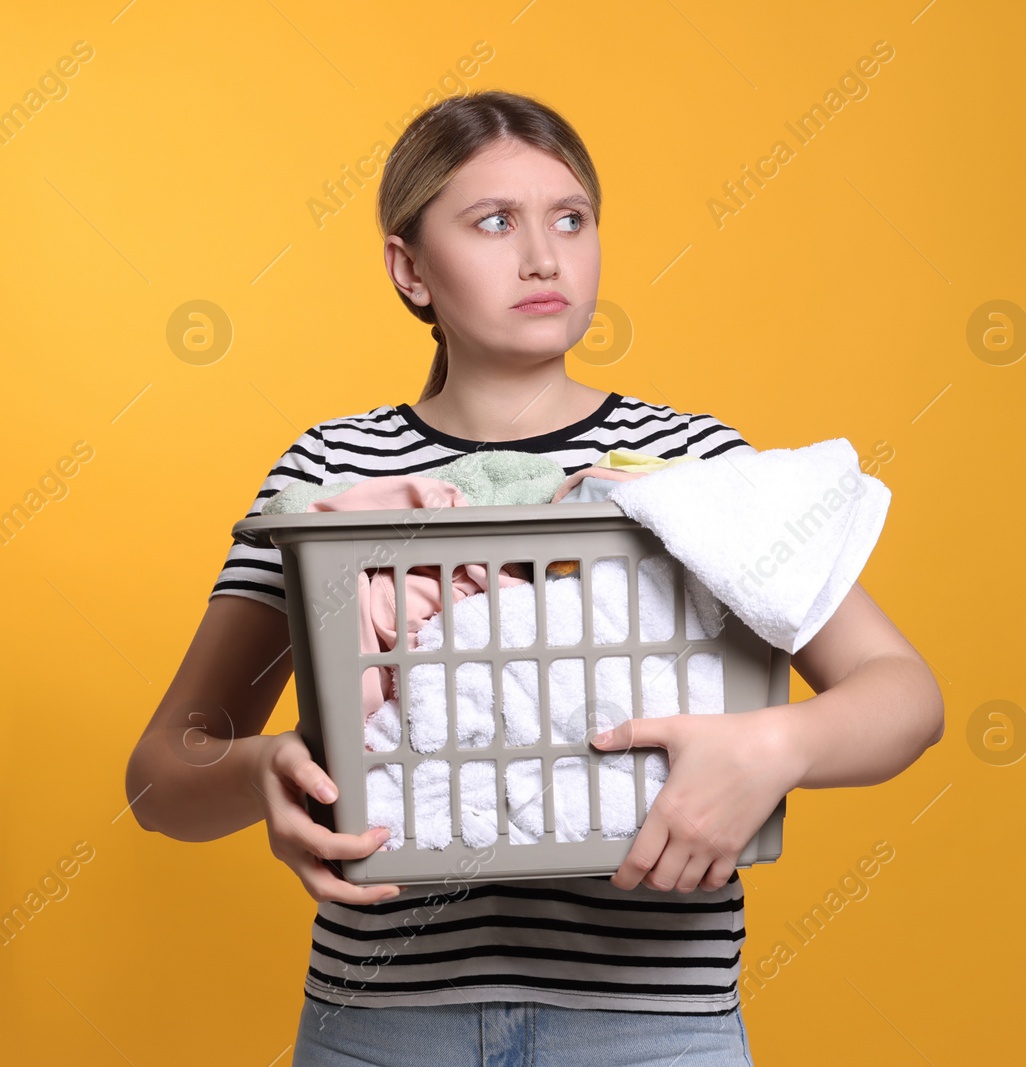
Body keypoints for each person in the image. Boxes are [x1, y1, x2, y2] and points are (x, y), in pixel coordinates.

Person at [124, 89, 944, 1066]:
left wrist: (776, 742)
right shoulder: (333, 474)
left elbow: (903, 694)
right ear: (410, 267)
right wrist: (270, 773)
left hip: (649, 1029)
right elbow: (163, 774)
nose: (544, 256)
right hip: (385, 1028)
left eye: (570, 218)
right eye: (493, 221)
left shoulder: (690, 468)